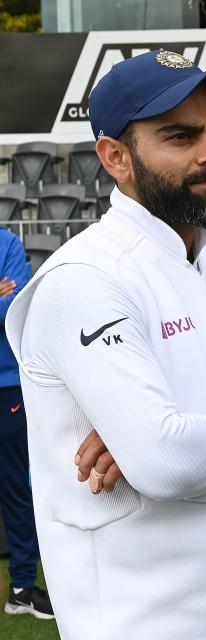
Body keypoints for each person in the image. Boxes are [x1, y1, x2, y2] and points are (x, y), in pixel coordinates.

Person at [4, 50, 206, 640]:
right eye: (180, 135)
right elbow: (165, 461)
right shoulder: (82, 279)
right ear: (115, 157)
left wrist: (174, 446)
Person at [0, 231, 53, 621]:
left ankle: (21, 588)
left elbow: (12, 308)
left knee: (18, 489)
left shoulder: (8, 244)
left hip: (6, 386)